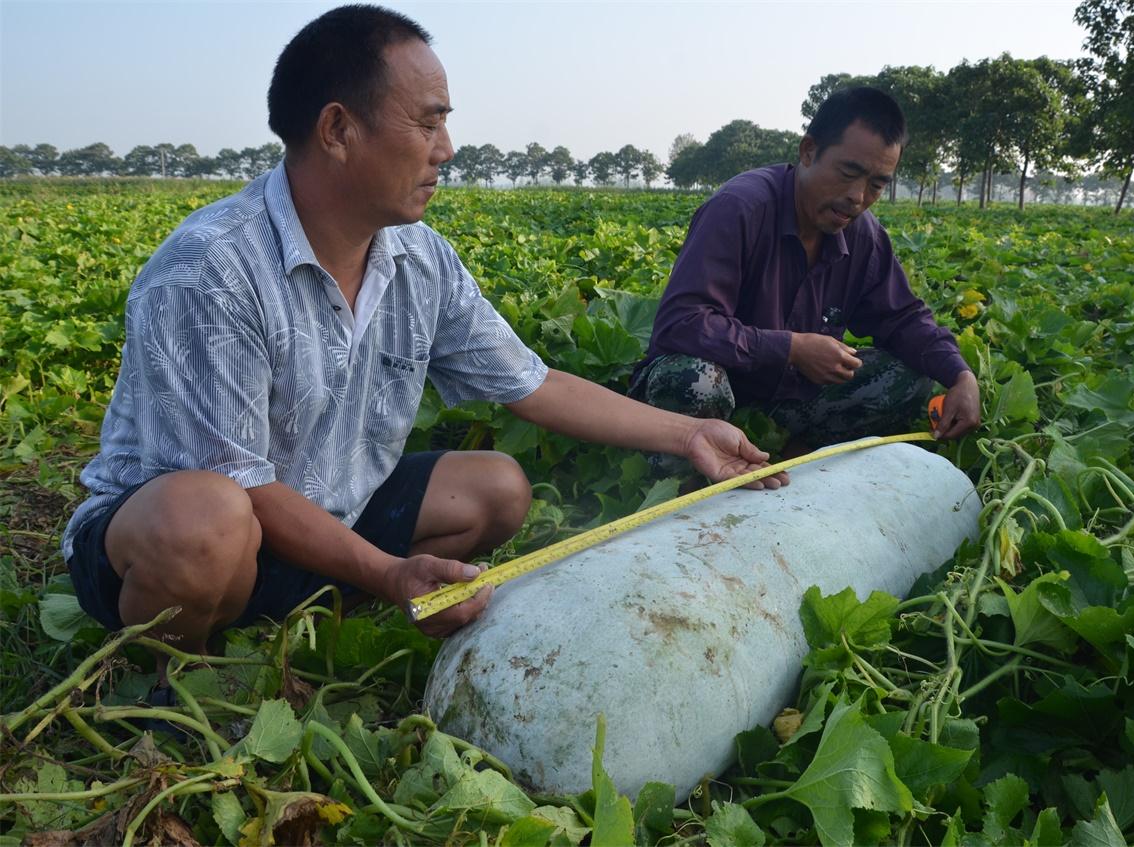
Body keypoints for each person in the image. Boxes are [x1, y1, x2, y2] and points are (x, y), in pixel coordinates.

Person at [60, 4, 783, 665]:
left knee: (496, 489)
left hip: (331, 508)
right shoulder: (210, 267)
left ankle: (304, 601)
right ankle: (171, 665)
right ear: (338, 130)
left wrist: (686, 433)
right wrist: (389, 571)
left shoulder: (420, 258)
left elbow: (532, 382)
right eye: (428, 122)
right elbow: (243, 483)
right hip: (180, 535)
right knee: (206, 522)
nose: (447, 148)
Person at [630, 87, 980, 454]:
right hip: (712, 399)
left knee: (909, 377)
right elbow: (681, 323)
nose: (858, 197)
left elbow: (903, 318)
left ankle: (789, 456)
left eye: (877, 185)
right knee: (694, 379)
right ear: (808, 152)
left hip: (785, 398)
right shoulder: (740, 209)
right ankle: (685, 484)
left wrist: (960, 375)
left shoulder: (864, 234)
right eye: (848, 173)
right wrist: (791, 348)